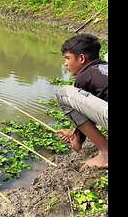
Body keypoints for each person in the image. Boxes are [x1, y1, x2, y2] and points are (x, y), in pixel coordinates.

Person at [55, 33, 108, 171]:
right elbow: (93, 109)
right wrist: (75, 132)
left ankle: (106, 155)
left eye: (68, 58)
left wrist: (77, 139)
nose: (65, 63)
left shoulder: (84, 76)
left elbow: (81, 110)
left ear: (82, 58)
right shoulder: (103, 69)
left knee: (64, 95)